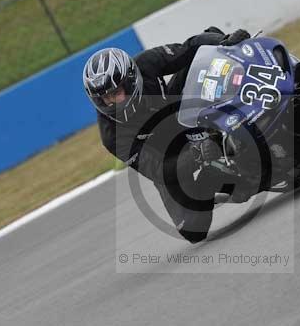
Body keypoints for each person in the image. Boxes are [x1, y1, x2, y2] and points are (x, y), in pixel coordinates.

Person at [82, 27, 251, 243]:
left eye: (116, 93)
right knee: (193, 231)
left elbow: (189, 48)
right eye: (105, 98)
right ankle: (215, 177)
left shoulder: (146, 64)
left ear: (130, 81)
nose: (112, 101)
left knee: (205, 54)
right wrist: (197, 154)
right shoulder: (112, 136)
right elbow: (158, 171)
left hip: (178, 111)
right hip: (169, 157)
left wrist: (225, 41)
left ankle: (244, 102)